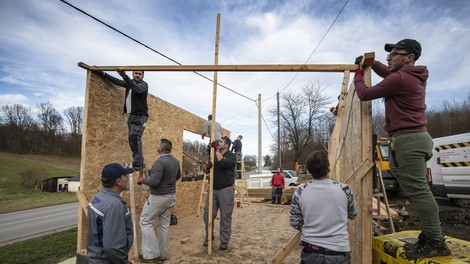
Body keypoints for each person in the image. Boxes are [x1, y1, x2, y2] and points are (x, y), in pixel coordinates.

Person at [354, 39, 451, 259]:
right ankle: (430, 237)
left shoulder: (401, 78)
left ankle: (435, 241)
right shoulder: (408, 76)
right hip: (413, 139)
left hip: (409, 139)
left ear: (409, 58)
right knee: (419, 190)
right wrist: (375, 63)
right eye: (389, 54)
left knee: (419, 192)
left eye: (395, 54)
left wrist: (359, 75)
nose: (389, 57)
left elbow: (365, 94)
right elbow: (389, 74)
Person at [290, 150, 357, 264]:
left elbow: (294, 222)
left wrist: (312, 228)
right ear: (329, 168)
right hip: (338, 252)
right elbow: (353, 214)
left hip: (311, 252)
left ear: (310, 171)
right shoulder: (344, 189)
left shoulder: (300, 191)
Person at [137, 138, 181, 262]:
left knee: (145, 221)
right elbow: (178, 176)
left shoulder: (159, 163)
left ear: (161, 148)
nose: (156, 146)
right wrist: (168, 182)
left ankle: (151, 254)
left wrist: (142, 180)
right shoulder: (175, 161)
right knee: (164, 226)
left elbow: (154, 182)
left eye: (158, 145)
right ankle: (163, 255)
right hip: (170, 197)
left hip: (158, 197)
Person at [98, 69, 149, 171]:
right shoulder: (130, 83)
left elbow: (137, 89)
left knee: (135, 137)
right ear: (133, 74)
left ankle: (138, 163)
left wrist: (124, 76)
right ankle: (139, 161)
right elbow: (117, 81)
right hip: (132, 115)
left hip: (141, 116)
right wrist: (103, 74)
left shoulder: (144, 85)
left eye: (140, 74)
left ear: (143, 76)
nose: (138, 75)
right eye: (136, 73)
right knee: (131, 138)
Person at [86, 163, 134, 264]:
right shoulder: (115, 206)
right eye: (126, 176)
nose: (128, 178)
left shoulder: (98, 198)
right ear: (119, 181)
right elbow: (112, 247)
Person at [202, 136, 237, 250]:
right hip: (213, 189)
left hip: (226, 190)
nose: (219, 143)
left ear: (226, 145)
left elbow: (223, 163)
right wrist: (207, 168)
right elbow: (206, 171)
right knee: (207, 214)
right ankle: (209, 236)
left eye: (221, 142)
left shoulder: (232, 156)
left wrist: (216, 150)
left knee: (225, 216)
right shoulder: (214, 155)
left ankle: (224, 240)